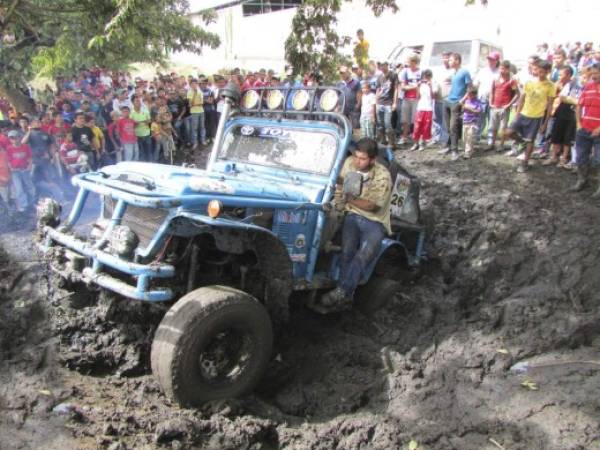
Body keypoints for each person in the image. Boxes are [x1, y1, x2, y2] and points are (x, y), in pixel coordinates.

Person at [319, 138, 392, 310]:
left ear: (373, 160)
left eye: (363, 159)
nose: (358, 161)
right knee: (347, 252)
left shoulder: (383, 176)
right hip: (351, 214)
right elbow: (339, 187)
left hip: (374, 220)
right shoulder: (349, 163)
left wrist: (348, 198)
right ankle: (346, 296)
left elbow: (372, 206)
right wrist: (338, 204)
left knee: (364, 254)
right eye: (356, 156)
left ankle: (342, 291)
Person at [504, 60, 555, 172]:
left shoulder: (551, 86)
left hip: (536, 117)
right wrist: (517, 114)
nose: (540, 74)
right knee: (508, 132)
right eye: (539, 71)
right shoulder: (529, 82)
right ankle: (521, 142)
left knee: (530, 141)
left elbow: (550, 106)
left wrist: (545, 124)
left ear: (548, 72)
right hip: (523, 113)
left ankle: (525, 163)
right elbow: (522, 98)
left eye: (543, 72)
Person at [571, 63, 600, 195]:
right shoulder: (587, 87)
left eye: (596, 73)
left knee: (598, 160)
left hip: (598, 131)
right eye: (592, 73)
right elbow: (579, 106)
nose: (593, 76)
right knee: (581, 157)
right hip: (584, 129)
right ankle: (582, 180)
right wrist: (578, 124)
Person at [543, 66, 579, 167]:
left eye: (561, 74)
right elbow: (562, 98)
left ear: (568, 75)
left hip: (571, 114)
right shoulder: (558, 84)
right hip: (559, 112)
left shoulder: (575, 85)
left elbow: (577, 101)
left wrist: (570, 100)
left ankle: (564, 158)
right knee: (556, 134)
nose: (559, 76)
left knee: (568, 137)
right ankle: (554, 157)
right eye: (558, 74)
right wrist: (571, 100)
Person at [439, 53, 472, 160]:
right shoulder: (454, 73)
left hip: (456, 103)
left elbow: (470, 87)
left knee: (454, 127)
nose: (449, 62)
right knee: (448, 126)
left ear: (457, 60)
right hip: (448, 101)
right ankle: (448, 146)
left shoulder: (465, 72)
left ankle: (455, 151)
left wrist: (462, 100)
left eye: (451, 60)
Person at [488, 60, 519, 151]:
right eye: (500, 68)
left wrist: (509, 104)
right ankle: (492, 144)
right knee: (493, 127)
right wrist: (491, 102)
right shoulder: (495, 79)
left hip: (504, 107)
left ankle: (501, 145)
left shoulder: (511, 81)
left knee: (503, 128)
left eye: (503, 69)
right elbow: (492, 91)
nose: (501, 70)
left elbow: (517, 94)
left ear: (508, 69)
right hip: (495, 106)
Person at [5, 130, 35, 213]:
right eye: (12, 138)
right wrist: (11, 168)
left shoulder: (25, 147)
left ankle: (32, 202)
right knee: (19, 189)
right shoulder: (9, 149)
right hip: (15, 172)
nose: (14, 140)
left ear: (19, 137)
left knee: (30, 186)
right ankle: (23, 205)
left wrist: (29, 166)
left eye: (15, 137)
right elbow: (8, 160)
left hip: (25, 170)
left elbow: (30, 157)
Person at [474, 51, 500, 144]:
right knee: (480, 119)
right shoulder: (482, 71)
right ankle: (476, 137)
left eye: (492, 59)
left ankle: (490, 139)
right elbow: (476, 84)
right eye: (489, 59)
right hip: (482, 98)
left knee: (492, 120)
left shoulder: (499, 73)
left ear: (497, 60)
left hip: (494, 100)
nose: (490, 61)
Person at [398, 55, 421, 145]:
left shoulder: (421, 72)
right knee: (405, 120)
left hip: (417, 99)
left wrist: (412, 87)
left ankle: (416, 138)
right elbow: (403, 87)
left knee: (416, 119)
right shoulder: (405, 72)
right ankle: (404, 137)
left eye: (409, 62)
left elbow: (421, 85)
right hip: (406, 98)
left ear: (414, 62)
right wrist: (414, 86)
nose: (407, 64)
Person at [411, 69, 435, 151]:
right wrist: (417, 87)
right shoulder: (421, 84)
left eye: (428, 77)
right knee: (417, 126)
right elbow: (417, 97)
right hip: (420, 107)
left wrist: (430, 86)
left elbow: (433, 97)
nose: (425, 79)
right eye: (424, 77)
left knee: (426, 126)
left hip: (428, 108)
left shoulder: (432, 84)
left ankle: (422, 143)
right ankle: (415, 143)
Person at [375, 62, 397, 149]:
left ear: (387, 65)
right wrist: (376, 102)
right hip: (380, 102)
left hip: (388, 103)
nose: (382, 67)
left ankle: (392, 143)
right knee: (380, 124)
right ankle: (383, 141)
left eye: (383, 65)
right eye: (380, 66)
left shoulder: (393, 75)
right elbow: (378, 90)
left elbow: (396, 89)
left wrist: (394, 102)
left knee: (388, 124)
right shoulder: (379, 77)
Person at [460, 86, 483, 159]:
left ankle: (468, 153)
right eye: (467, 94)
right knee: (464, 137)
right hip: (465, 121)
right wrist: (465, 98)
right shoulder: (466, 100)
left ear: (474, 94)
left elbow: (479, 111)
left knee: (470, 137)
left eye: (470, 94)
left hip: (472, 122)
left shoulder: (477, 102)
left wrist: (469, 108)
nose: (468, 95)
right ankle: (469, 149)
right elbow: (460, 103)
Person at [130, 94, 152, 161]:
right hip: (137, 135)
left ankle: (150, 164)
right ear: (133, 102)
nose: (138, 102)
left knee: (149, 151)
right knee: (141, 152)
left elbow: (150, 120)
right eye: (136, 101)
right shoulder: (131, 113)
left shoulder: (145, 110)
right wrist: (135, 124)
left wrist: (147, 122)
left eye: (139, 101)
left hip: (147, 134)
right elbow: (130, 125)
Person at [187, 78, 206, 150]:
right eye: (192, 84)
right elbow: (190, 104)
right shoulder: (189, 92)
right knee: (194, 128)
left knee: (202, 127)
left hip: (201, 111)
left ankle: (203, 140)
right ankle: (195, 142)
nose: (194, 85)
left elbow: (202, 102)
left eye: (195, 83)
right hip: (194, 112)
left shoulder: (200, 90)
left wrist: (196, 103)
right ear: (190, 84)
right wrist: (194, 94)